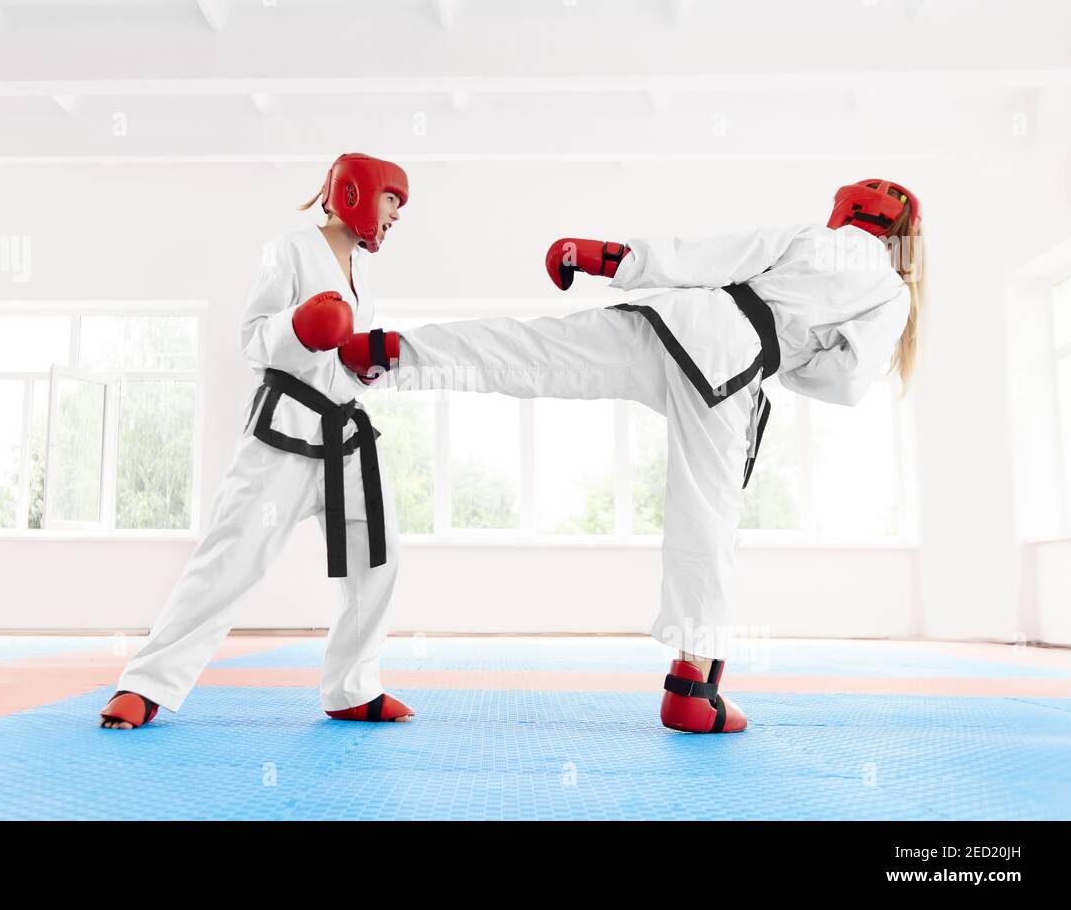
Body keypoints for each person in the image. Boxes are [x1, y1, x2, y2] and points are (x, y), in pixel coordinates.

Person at [338, 179, 924, 733]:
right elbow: (847, 381)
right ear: (902, 232)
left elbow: (709, 255)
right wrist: (794, 354)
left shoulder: (809, 237)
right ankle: (692, 689)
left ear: (845, 210)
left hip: (675, 319)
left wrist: (609, 257)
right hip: (732, 362)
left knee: (535, 348)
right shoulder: (891, 291)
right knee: (705, 512)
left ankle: (392, 351)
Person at [100, 153, 416, 728]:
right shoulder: (290, 250)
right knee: (232, 555)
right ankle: (146, 683)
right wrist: (298, 327)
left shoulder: (362, 277)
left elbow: (342, 358)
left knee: (380, 559)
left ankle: (352, 688)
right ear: (355, 195)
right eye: (391, 202)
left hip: (346, 436)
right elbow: (253, 340)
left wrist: (369, 367)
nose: (395, 216)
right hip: (285, 433)